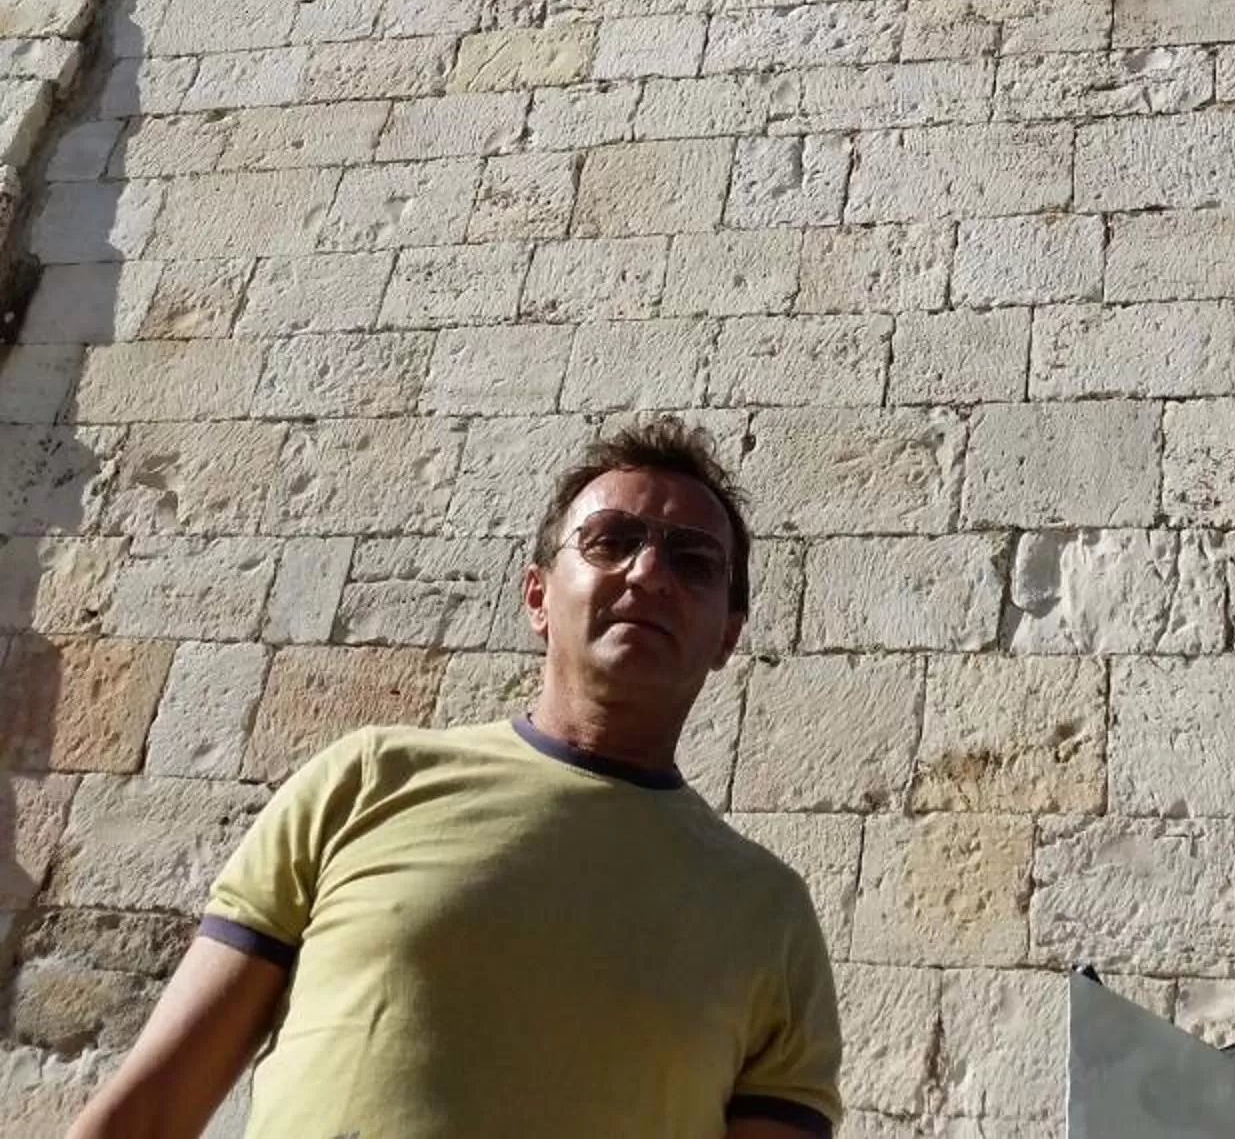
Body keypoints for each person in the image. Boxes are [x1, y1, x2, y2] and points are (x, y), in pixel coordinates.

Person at [68, 415, 841, 1139]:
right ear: (537, 596)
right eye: (611, 540)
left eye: (694, 560)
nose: (648, 572)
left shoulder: (770, 916)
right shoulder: (367, 781)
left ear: (727, 637)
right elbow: (151, 1110)